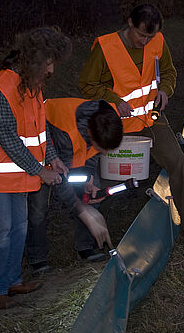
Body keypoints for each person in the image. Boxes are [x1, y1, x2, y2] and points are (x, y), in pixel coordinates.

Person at [78, 3, 184, 241]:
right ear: (130, 23)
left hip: (152, 119)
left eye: (150, 36)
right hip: (117, 125)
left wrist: (166, 91)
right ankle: (86, 241)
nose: (145, 41)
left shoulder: (158, 40)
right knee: (101, 181)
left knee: (178, 162)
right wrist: (113, 100)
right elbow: (87, 85)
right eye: (141, 35)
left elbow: (168, 71)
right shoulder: (106, 47)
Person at [0, 26, 71, 310]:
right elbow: (10, 141)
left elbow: (39, 126)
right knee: (1, 229)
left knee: (20, 226)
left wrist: (52, 156)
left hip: (17, 172)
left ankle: (12, 279)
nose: (51, 69)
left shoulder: (31, 83)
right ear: (35, 59)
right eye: (49, 62)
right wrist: (41, 171)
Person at [26, 98, 123, 274]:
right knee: (38, 208)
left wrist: (89, 179)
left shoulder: (107, 119)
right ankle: (37, 260)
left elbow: (93, 153)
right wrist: (81, 209)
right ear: (90, 134)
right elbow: (62, 180)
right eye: (101, 148)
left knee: (93, 193)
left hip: (69, 156)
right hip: (40, 154)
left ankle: (85, 248)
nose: (104, 153)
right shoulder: (67, 132)